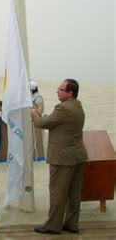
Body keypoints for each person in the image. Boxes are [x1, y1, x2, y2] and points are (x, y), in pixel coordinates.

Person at [31, 79, 87, 235]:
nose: (57, 91)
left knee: (57, 192)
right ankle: (71, 224)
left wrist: (34, 114)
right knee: (73, 193)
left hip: (63, 158)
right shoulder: (77, 105)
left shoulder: (62, 108)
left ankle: (53, 226)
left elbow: (43, 123)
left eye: (61, 89)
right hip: (77, 155)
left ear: (70, 93)